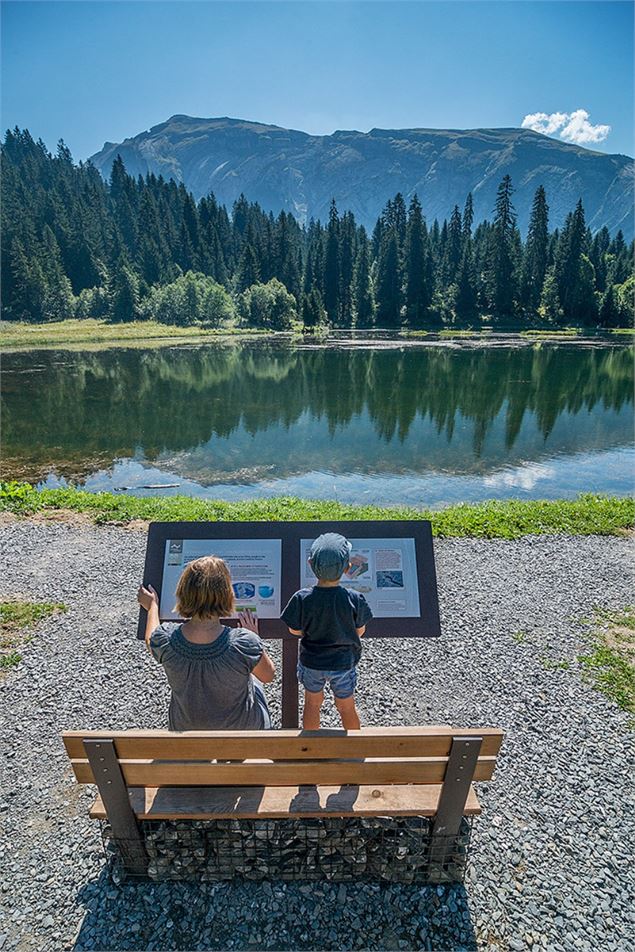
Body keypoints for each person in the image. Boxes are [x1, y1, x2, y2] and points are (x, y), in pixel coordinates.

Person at [137, 555, 275, 730]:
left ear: (182, 592)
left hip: (188, 736)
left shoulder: (165, 640)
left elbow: (151, 639)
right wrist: (253, 639)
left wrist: (152, 607)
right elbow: (268, 675)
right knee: (255, 681)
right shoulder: (245, 643)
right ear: (227, 595)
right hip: (241, 737)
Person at [281, 532, 373, 730]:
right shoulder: (355, 598)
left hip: (312, 662)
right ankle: (353, 750)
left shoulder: (302, 598)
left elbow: (293, 630)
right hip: (344, 662)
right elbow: (360, 631)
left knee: (312, 705)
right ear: (348, 568)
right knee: (347, 707)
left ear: (310, 564)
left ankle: (312, 748)